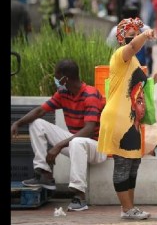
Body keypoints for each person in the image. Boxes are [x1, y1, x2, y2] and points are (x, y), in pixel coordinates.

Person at [11, 59, 107, 212]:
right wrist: (18, 123)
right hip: (77, 145)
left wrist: (58, 145)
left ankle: (79, 195)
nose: (55, 79)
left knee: (77, 142)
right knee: (37, 124)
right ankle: (44, 174)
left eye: (56, 76)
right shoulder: (63, 93)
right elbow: (40, 111)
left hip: (98, 148)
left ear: (65, 78)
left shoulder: (90, 95)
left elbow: (89, 129)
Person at [97, 18, 157, 220]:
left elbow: (137, 89)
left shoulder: (135, 60)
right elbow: (132, 46)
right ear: (123, 39)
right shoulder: (121, 54)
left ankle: (128, 207)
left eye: (138, 32)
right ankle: (127, 209)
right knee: (123, 164)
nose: (135, 36)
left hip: (132, 120)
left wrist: (155, 78)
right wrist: (144, 35)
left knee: (133, 165)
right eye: (131, 34)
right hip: (119, 118)